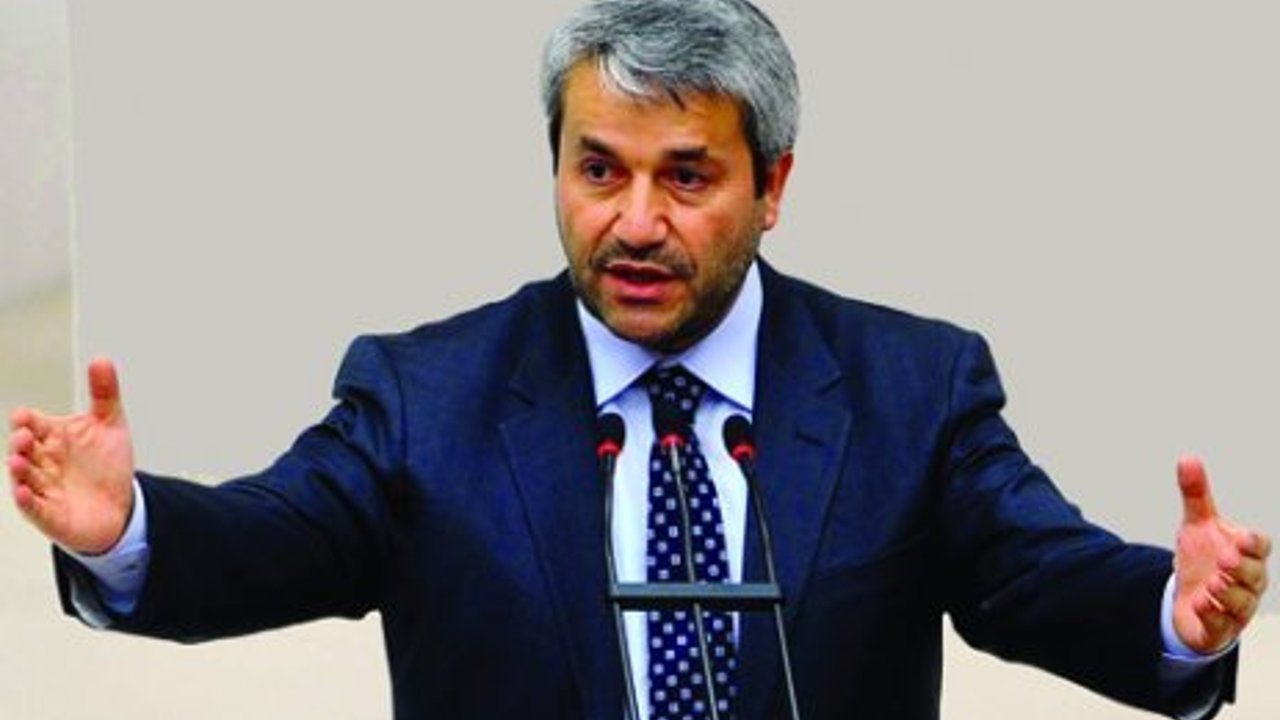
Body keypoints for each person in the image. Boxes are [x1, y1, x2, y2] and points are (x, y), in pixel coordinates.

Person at [6, 1, 1270, 718]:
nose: (634, 223)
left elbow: (1037, 576)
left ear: (772, 186)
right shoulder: (423, 396)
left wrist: (1171, 614)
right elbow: (273, 539)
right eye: (597, 170)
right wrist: (128, 529)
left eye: (686, 177)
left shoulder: (910, 388)